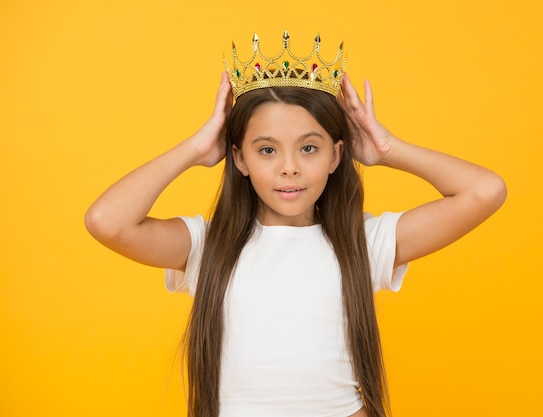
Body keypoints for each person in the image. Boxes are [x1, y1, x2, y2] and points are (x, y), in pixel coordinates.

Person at [85, 57, 506, 416]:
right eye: (267, 149)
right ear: (239, 158)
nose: (289, 168)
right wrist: (195, 149)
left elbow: (485, 191)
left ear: (337, 154)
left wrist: (387, 148)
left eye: (309, 148)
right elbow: (107, 221)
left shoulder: (362, 242)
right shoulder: (206, 245)